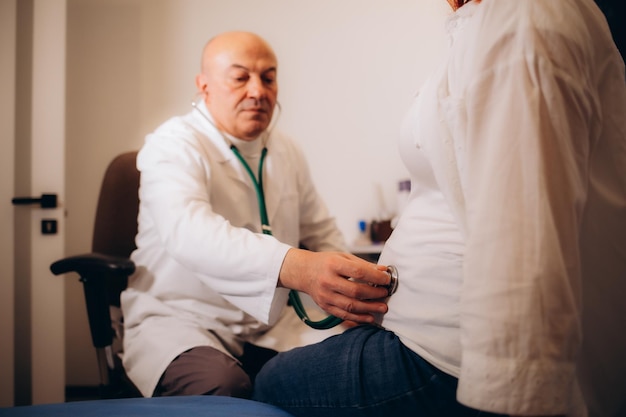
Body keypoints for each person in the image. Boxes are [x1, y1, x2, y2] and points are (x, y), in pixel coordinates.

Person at [252, 1, 626, 416]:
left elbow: (525, 241)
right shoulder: (485, 27)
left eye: (266, 77)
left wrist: (510, 395)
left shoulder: (523, 20)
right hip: (415, 332)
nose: (256, 91)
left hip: (444, 355)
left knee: (268, 384)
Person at [120, 31, 391, 399]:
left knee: (356, 366)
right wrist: (297, 267)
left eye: (268, 77)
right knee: (224, 388)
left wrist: (349, 293)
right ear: (204, 86)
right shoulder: (171, 144)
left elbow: (321, 231)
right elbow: (189, 232)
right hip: (184, 319)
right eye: (240, 77)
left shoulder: (285, 149)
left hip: (272, 325)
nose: (257, 91)